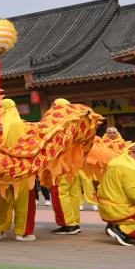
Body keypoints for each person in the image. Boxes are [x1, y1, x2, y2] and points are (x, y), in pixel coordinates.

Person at [0, 99, 37, 241]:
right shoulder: (23, 125)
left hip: (3, 169)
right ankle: (21, 232)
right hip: (22, 169)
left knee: (2, 200)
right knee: (23, 202)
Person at [47, 99, 83, 235]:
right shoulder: (76, 123)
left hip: (60, 166)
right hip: (73, 165)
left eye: (53, 106)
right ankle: (74, 222)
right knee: (73, 194)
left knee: (61, 194)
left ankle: (68, 225)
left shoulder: (58, 124)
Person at [99, 142, 135, 246]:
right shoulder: (130, 168)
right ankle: (122, 231)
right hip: (118, 207)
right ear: (132, 153)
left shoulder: (123, 161)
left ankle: (119, 226)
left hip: (111, 204)